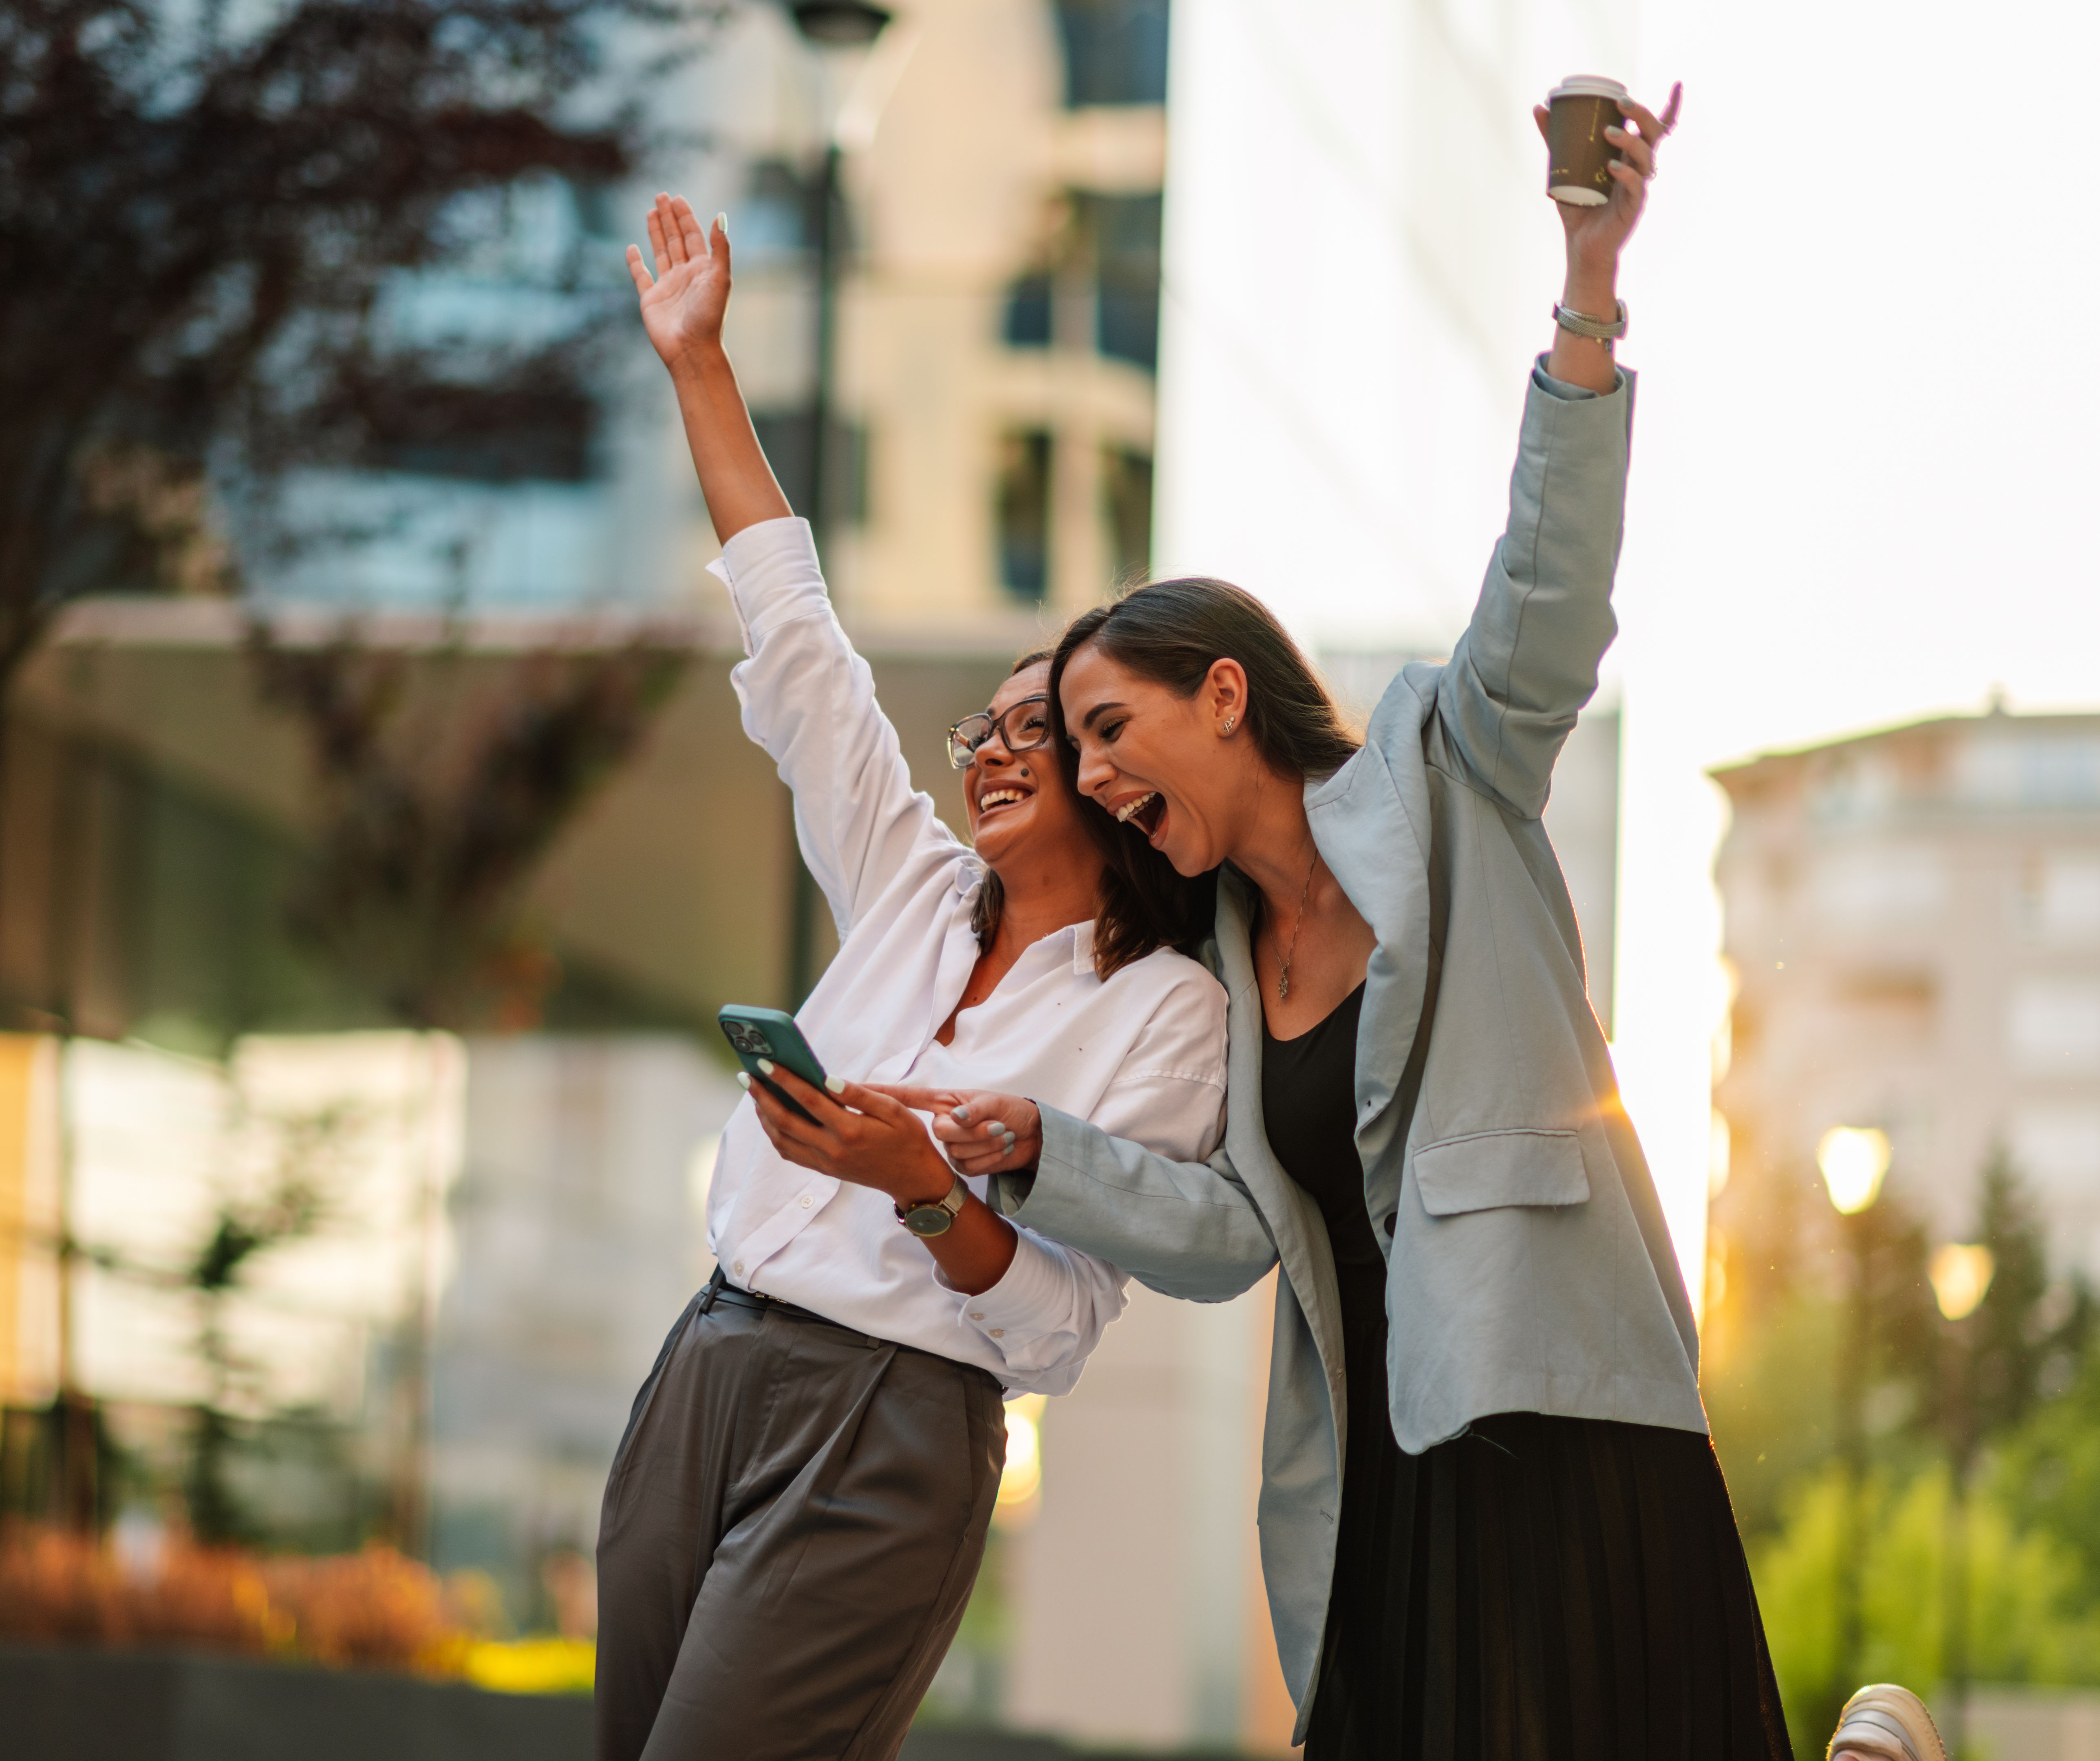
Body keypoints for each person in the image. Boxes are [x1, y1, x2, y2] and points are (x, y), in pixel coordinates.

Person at [751, 84, 1795, 1758]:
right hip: (1381, 1462)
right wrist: (1032, 1145)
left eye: (1108, 730)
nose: (1091, 777)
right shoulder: (1225, 963)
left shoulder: (1446, 775)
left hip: (1557, 1415)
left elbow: (1548, 585)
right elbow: (1232, 1231)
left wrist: (1589, 282)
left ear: (1224, 691)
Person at [595, 193, 1231, 1761]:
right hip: (710, 1361)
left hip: (889, 1422)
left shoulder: (1163, 1011)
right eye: (993, 728)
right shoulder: (909, 884)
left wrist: (926, 1190)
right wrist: (701, 369)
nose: (999, 753)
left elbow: (1062, 1332)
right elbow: (800, 644)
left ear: (1122, 773)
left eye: (1046, 730)